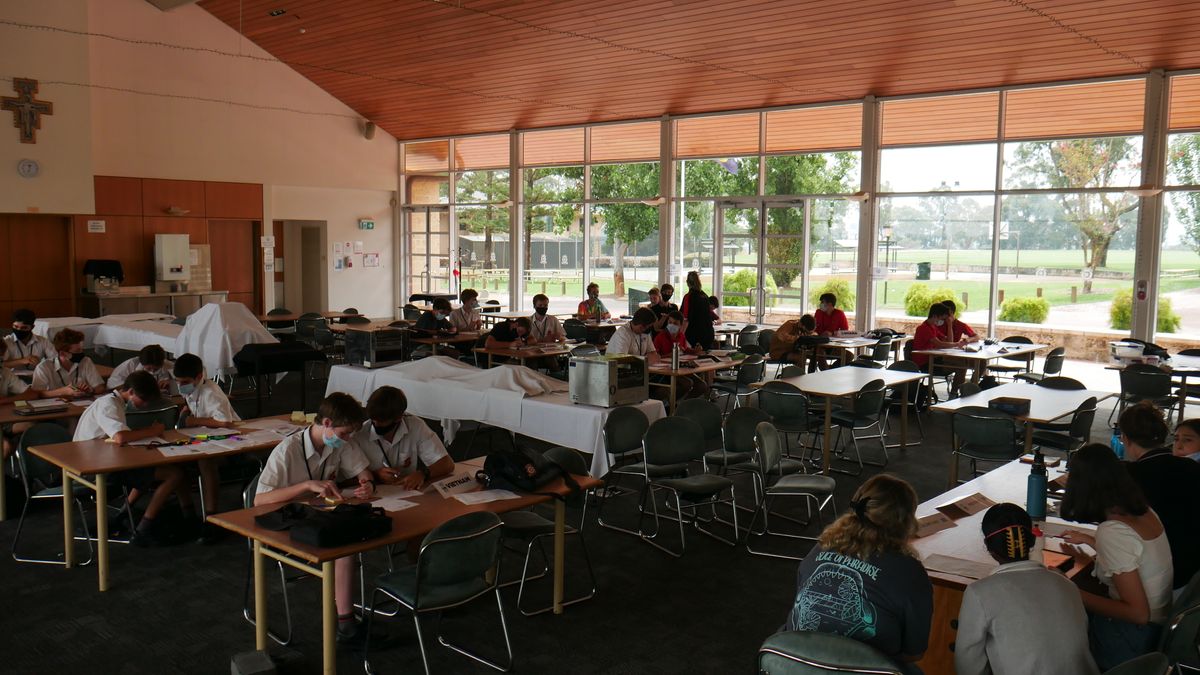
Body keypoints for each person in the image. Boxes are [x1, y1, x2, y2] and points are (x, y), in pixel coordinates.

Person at [255, 392, 376, 644]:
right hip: (285, 522)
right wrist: (306, 485)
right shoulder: (287, 450)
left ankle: (346, 619)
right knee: (344, 545)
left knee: (356, 531)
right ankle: (346, 623)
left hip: (318, 517)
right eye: (344, 433)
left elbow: (363, 471)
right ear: (327, 423)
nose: (348, 439)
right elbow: (259, 500)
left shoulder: (339, 443)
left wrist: (367, 484)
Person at [783, 474, 932, 672]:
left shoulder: (819, 549)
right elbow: (914, 653)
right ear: (906, 522)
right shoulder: (910, 572)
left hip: (794, 663)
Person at [1060, 443, 1173, 671]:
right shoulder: (1145, 511)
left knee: (1057, 622)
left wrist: (1068, 589)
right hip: (1159, 629)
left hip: (1132, 638)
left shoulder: (1112, 532)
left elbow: (1138, 614)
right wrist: (1091, 540)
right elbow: (1136, 554)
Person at [954, 503, 1098, 675]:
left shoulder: (979, 593)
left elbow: (968, 666)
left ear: (989, 546)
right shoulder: (1066, 584)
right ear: (1032, 540)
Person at [74, 371, 190, 547]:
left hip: (104, 459)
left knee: (149, 468)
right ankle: (144, 529)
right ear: (131, 392)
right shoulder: (108, 405)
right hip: (95, 468)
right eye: (143, 400)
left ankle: (121, 514)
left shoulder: (115, 402)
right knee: (174, 474)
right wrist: (153, 431)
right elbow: (120, 437)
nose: (145, 405)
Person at [1118, 403, 1200, 590]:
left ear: (1125, 439)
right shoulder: (1191, 466)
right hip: (1192, 568)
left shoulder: (1129, 476)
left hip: (1159, 573)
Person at [174, 352, 241, 541]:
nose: (181, 385)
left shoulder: (211, 392)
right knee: (175, 461)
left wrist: (194, 420)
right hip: (205, 436)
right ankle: (188, 513)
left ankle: (212, 517)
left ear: (198, 377)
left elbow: (225, 422)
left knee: (206, 462)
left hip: (231, 439)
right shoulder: (191, 388)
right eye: (178, 381)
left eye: (185, 381)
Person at [354, 386, 453, 490]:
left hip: (405, 491)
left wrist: (423, 474)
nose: (376, 424)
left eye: (382, 421)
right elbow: (344, 478)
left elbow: (447, 464)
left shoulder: (415, 425)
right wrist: (375, 475)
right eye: (373, 420)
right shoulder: (359, 433)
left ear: (399, 418)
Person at [910, 303, 967, 396]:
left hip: (933, 359)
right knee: (961, 368)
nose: (943, 321)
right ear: (935, 316)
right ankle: (953, 394)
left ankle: (955, 393)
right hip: (925, 363)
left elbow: (949, 341)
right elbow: (940, 344)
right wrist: (957, 344)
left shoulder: (933, 327)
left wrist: (949, 325)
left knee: (962, 364)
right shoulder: (923, 328)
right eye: (943, 319)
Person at [31, 328, 106, 398]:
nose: (81, 353)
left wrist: (91, 390)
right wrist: (63, 392)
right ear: (62, 353)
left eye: (82, 349)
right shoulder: (44, 367)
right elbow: (37, 393)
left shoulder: (86, 361)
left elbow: (100, 387)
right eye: (77, 351)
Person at [652, 311, 707, 399]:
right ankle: (673, 404)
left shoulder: (681, 336)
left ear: (681, 325)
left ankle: (684, 403)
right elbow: (654, 357)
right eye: (670, 322)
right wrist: (669, 355)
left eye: (675, 323)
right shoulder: (660, 337)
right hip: (667, 370)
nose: (671, 325)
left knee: (702, 385)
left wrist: (695, 350)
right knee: (687, 383)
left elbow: (685, 350)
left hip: (682, 367)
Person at [0, 363, 39, 459]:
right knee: (5, 446)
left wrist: (4, 400)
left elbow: (32, 394)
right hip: (5, 422)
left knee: (32, 426)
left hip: (5, 421)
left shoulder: (5, 372)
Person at [107, 344, 174, 392]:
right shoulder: (130, 365)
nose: (152, 371)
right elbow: (112, 387)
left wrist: (171, 383)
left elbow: (179, 378)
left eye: (156, 369)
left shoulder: (168, 364)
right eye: (149, 369)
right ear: (141, 362)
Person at [680, 271, 715, 350]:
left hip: (694, 335)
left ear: (687, 282)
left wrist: (679, 336)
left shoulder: (688, 297)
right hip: (708, 334)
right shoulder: (704, 296)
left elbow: (686, 319)